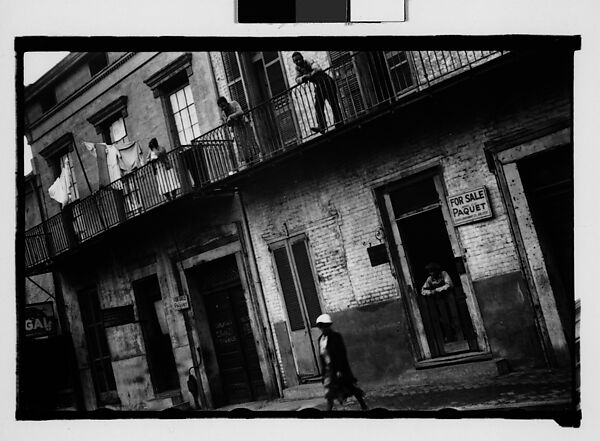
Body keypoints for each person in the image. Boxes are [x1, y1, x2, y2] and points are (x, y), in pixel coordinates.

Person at [316, 313, 368, 411]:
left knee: (350, 387)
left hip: (339, 368)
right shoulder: (320, 340)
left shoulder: (336, 337)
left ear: (329, 326)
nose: (324, 329)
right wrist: (323, 374)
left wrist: (340, 370)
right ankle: (328, 410)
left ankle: (363, 405)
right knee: (329, 393)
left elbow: (341, 355)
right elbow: (321, 357)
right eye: (322, 327)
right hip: (328, 370)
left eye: (326, 326)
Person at [292, 52, 343, 134]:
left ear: (302, 58)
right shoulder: (298, 68)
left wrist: (309, 75)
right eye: (295, 61)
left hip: (327, 81)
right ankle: (322, 127)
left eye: (299, 59)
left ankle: (339, 123)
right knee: (318, 105)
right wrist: (303, 78)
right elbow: (297, 79)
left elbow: (317, 68)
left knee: (333, 103)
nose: (298, 62)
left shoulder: (308, 61)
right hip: (319, 85)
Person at [217, 96, 260, 168]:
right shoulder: (223, 113)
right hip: (236, 129)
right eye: (221, 107)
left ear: (226, 102)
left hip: (244, 125)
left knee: (250, 141)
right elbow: (228, 124)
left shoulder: (234, 103)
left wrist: (231, 116)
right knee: (242, 146)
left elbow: (240, 112)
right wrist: (228, 121)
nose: (223, 108)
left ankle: (256, 160)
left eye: (224, 105)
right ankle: (248, 163)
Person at [421, 262, 456, 342]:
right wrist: (430, 292)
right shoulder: (430, 279)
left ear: (437, 270)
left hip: (450, 300)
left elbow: (449, 284)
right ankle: (447, 336)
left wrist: (437, 290)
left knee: (453, 316)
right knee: (442, 319)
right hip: (439, 302)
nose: (431, 273)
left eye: (432, 271)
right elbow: (423, 290)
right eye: (430, 271)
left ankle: (456, 335)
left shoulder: (443, 274)